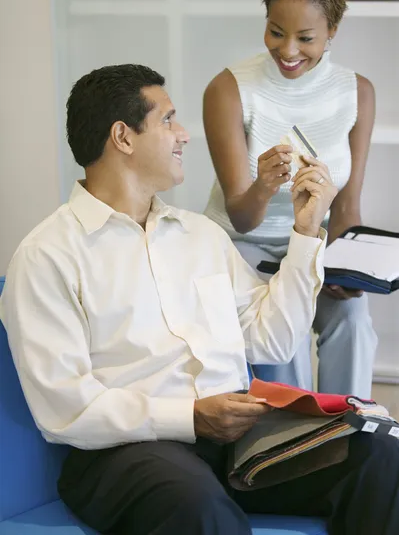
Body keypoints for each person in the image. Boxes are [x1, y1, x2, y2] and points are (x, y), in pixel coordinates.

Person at [1, 64, 398, 535]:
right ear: (123, 137)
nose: (184, 135)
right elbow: (65, 407)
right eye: (168, 120)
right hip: (128, 453)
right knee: (198, 507)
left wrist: (307, 231)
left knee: (380, 455)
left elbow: (273, 341)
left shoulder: (201, 236)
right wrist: (190, 417)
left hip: (238, 442)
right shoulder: (48, 255)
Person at [203, 0, 377, 398]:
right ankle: (292, 444)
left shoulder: (356, 93)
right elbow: (241, 218)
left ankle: (349, 430)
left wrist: (347, 271)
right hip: (244, 251)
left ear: (332, 32)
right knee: (284, 337)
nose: (288, 50)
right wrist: (264, 185)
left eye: (306, 38)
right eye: (276, 32)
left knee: (354, 322)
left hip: (311, 247)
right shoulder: (228, 89)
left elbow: (346, 208)